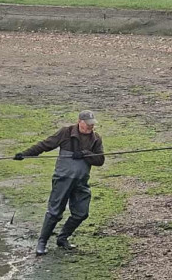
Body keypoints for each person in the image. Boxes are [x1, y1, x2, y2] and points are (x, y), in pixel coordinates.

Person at [15, 110, 105, 256]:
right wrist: (25, 154)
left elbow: (100, 160)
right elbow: (45, 145)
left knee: (81, 213)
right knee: (55, 212)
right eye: (88, 124)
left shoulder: (96, 138)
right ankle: (42, 242)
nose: (90, 127)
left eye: (92, 124)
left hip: (81, 182)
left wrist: (85, 154)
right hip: (63, 179)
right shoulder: (66, 133)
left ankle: (62, 238)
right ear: (79, 122)